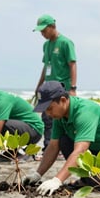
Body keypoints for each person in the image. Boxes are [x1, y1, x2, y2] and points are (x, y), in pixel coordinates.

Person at [23, 81, 100, 196]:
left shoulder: (84, 112)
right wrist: (38, 174)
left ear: (63, 100)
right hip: (99, 149)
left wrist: (57, 180)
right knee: (63, 140)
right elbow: (53, 146)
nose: (48, 114)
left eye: (49, 108)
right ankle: (93, 178)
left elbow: (81, 150)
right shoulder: (59, 116)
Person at [33, 14, 77, 152]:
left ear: (53, 27)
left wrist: (73, 88)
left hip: (62, 87)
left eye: (44, 30)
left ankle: (55, 148)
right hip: (47, 87)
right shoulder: (46, 45)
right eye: (40, 31)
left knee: (58, 118)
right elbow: (46, 67)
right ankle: (48, 147)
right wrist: (39, 86)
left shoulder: (65, 42)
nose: (42, 34)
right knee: (47, 117)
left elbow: (72, 64)